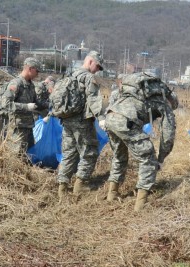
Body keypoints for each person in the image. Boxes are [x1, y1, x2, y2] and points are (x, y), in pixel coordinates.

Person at [102, 73, 178, 211]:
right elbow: (167, 137)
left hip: (110, 118)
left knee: (119, 156)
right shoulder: (164, 104)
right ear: (171, 101)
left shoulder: (138, 93)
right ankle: (140, 205)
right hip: (126, 122)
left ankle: (111, 195)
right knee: (148, 159)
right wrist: (160, 159)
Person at [57, 50, 104, 198]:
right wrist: (101, 118)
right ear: (90, 62)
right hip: (82, 122)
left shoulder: (71, 75)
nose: (97, 70)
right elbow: (94, 99)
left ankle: (62, 187)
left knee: (68, 153)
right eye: (97, 66)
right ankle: (80, 185)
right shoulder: (89, 78)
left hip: (66, 120)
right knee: (90, 152)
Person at [0, 57, 48, 156]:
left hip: (29, 127)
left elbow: (36, 103)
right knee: (15, 156)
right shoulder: (16, 83)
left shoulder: (30, 85)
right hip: (18, 128)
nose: (38, 74)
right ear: (30, 69)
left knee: (29, 155)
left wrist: (50, 106)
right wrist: (26, 107)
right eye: (37, 71)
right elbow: (5, 104)